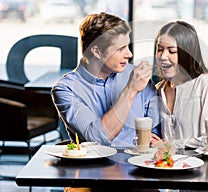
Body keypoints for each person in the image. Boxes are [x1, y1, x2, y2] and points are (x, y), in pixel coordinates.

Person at [51, 12, 161, 148]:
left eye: (128, 46)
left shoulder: (136, 75)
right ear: (97, 51)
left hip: (137, 164)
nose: (129, 54)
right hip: (92, 167)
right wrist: (130, 90)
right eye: (121, 49)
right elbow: (97, 138)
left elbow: (156, 130)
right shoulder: (66, 89)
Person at [154, 20, 208, 149]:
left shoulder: (205, 83)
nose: (163, 56)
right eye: (160, 49)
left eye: (172, 51)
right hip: (171, 166)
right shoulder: (159, 89)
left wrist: (168, 144)